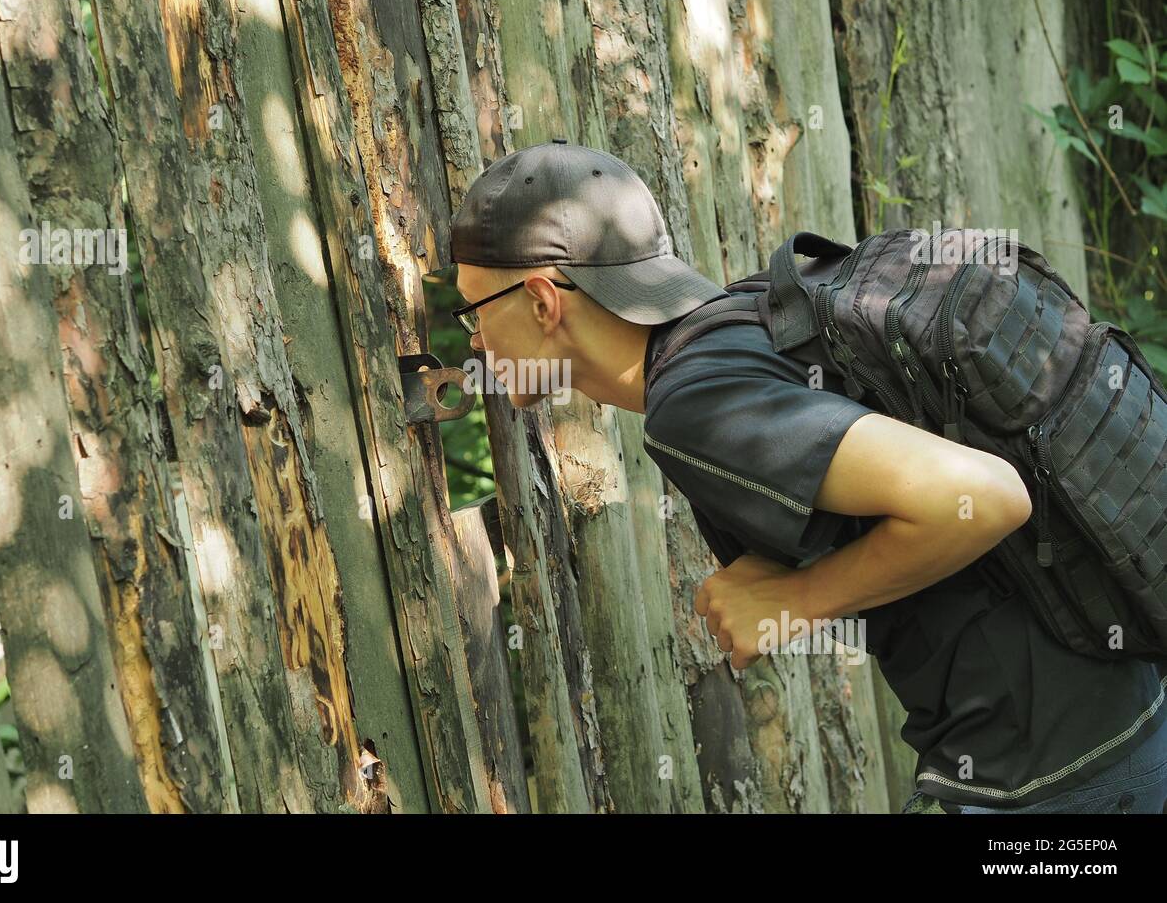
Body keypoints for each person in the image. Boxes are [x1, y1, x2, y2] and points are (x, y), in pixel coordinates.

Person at [449, 139, 1167, 814]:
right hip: (1110, 718)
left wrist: (794, 601)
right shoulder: (740, 319)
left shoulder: (690, 401)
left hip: (1052, 776)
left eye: (474, 311)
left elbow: (981, 496)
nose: (474, 339)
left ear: (543, 302)